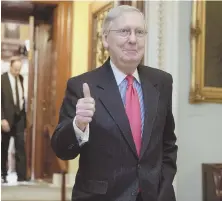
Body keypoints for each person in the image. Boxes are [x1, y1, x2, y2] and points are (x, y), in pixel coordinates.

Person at [51, 5, 177, 201]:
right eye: (124, 31)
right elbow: (62, 150)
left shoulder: (161, 82)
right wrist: (78, 125)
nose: (133, 39)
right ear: (105, 39)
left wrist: (165, 185)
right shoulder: (82, 85)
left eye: (140, 32)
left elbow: (167, 143)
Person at [1, 56, 27, 183]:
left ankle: (21, 176)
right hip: (6, 119)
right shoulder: (2, 79)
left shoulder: (21, 78)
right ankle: (3, 174)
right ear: (10, 67)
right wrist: (2, 119)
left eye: (19, 69)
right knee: (4, 147)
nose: (17, 72)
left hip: (19, 117)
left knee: (20, 145)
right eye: (15, 69)